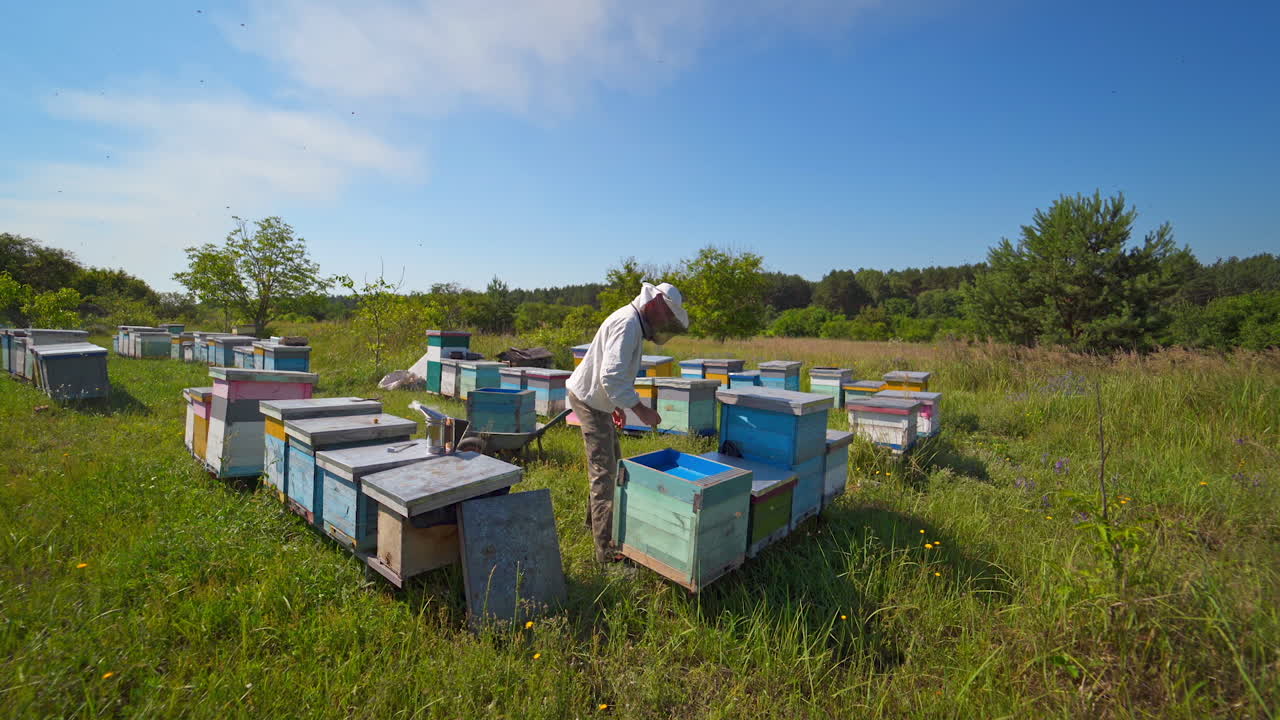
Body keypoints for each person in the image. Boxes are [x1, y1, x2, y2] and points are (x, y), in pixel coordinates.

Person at [566, 282, 689, 563]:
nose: (666, 323)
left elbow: (613, 376)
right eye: (667, 316)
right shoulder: (628, 324)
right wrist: (640, 410)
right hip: (589, 400)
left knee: (612, 465)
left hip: (597, 400)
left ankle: (594, 525)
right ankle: (607, 554)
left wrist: (616, 405)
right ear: (656, 302)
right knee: (605, 474)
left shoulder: (632, 320)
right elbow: (611, 377)